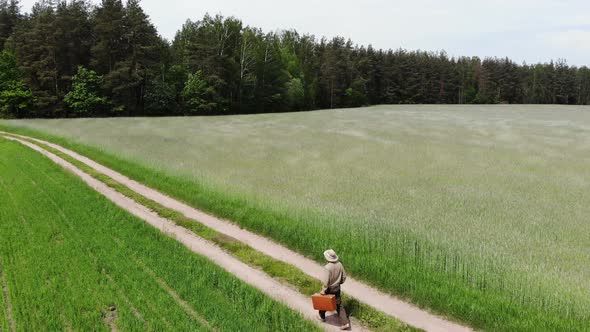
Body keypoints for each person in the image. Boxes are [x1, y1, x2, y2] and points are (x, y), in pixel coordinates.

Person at [318, 249, 350, 330]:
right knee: (339, 305)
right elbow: (344, 277)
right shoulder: (340, 264)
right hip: (337, 288)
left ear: (327, 258)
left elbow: (326, 281)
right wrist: (340, 282)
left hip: (329, 288)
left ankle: (322, 317)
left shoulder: (327, 267)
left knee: (324, 302)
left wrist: (323, 290)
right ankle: (345, 323)